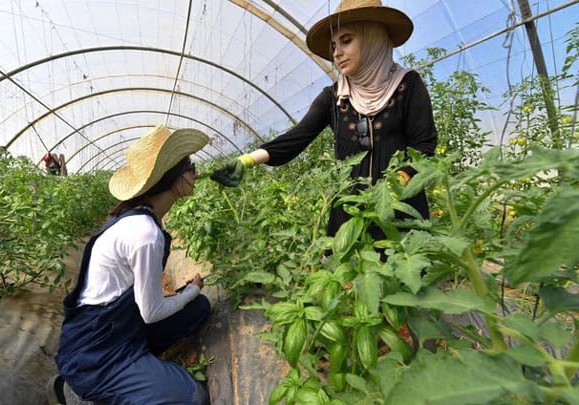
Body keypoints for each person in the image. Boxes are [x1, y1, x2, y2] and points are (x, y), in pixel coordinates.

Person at [211, 0, 437, 240]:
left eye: (346, 40)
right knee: (350, 273)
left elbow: (424, 146)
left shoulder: (407, 86)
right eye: (333, 45)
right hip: (351, 217)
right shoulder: (334, 97)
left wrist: (393, 187)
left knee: (401, 270)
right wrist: (246, 160)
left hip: (400, 212)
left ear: (373, 37)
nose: (336, 53)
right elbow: (297, 137)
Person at [52, 125, 211, 404]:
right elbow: (151, 312)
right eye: (190, 166)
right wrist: (190, 290)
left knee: (198, 309)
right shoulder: (144, 233)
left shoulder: (140, 217)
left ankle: (139, 371)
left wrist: (190, 297)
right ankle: (76, 393)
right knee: (190, 395)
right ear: (172, 177)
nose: (196, 174)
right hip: (98, 351)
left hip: (122, 325)